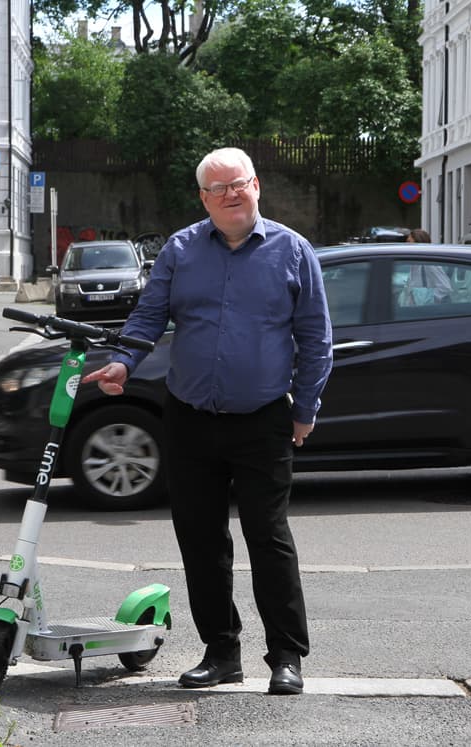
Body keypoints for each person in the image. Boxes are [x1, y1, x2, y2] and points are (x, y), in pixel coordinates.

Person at [82, 147, 333, 696]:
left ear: (256, 186)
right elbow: (151, 313)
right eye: (217, 189)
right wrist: (125, 361)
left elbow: (316, 340)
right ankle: (221, 653)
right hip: (190, 417)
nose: (230, 195)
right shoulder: (181, 249)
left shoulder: (293, 251)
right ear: (203, 198)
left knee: (268, 538)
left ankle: (286, 656)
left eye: (237, 184)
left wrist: (305, 409)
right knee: (201, 540)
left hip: (264, 417)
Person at [402, 228, 452, 304]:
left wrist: (428, 300)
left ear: (418, 242)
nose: (406, 245)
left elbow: (445, 287)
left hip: (426, 310)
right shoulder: (415, 263)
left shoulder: (429, 263)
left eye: (409, 242)